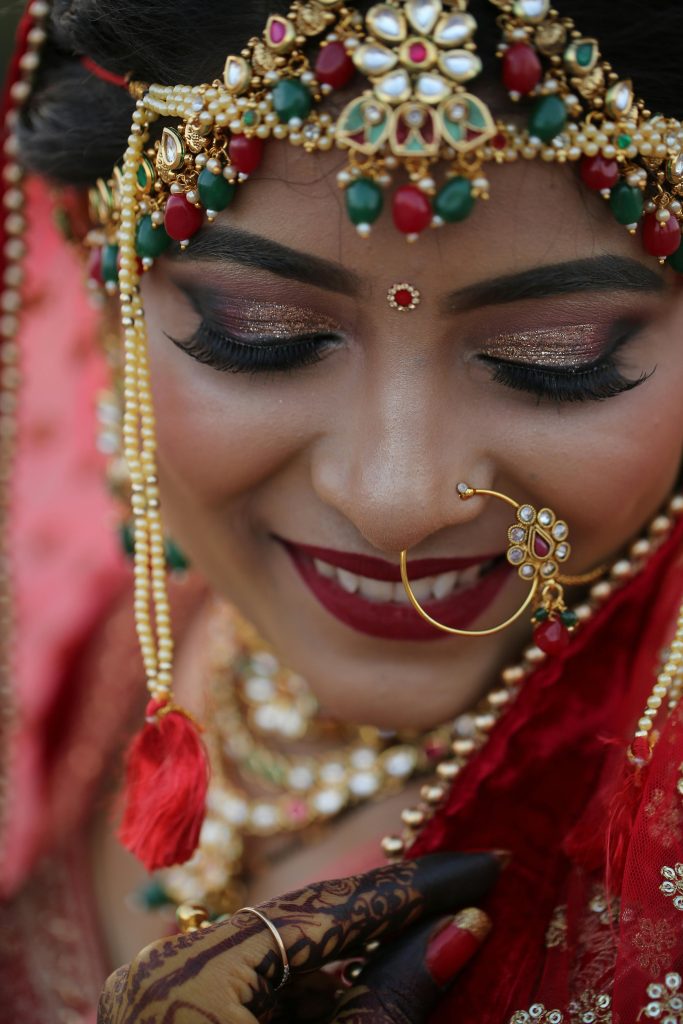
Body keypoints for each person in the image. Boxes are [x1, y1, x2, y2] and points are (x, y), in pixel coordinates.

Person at [2, 0, 683, 1020]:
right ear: (100, 274)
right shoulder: (45, 635)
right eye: (256, 334)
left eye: (554, 357)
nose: (392, 500)